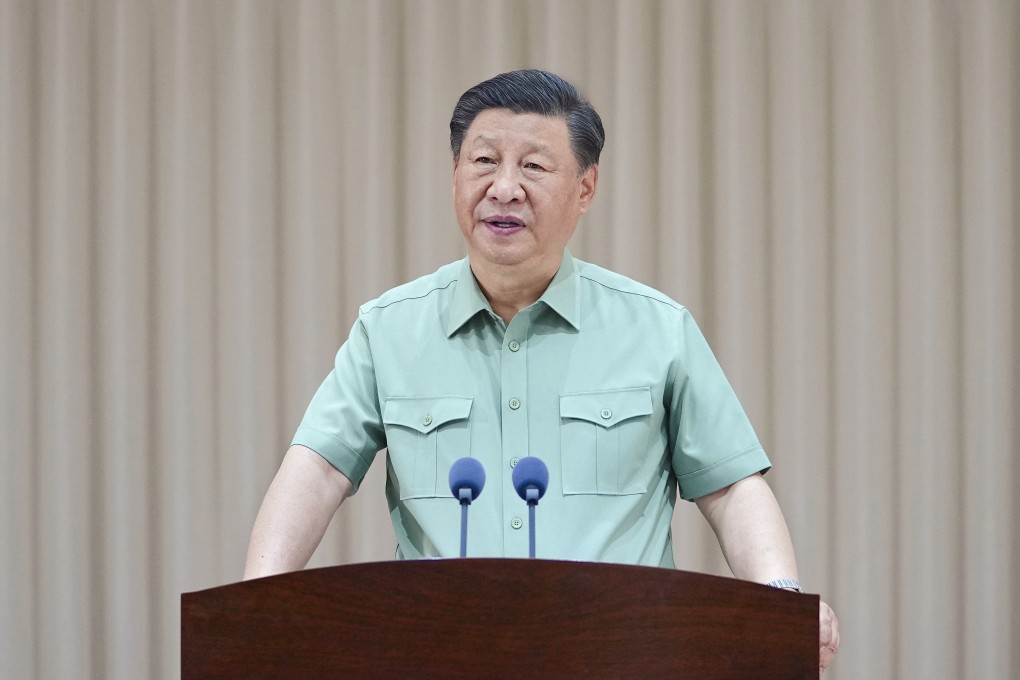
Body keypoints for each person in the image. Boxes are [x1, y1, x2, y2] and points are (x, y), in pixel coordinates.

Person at [244, 69, 839, 674]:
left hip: (624, 659)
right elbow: (317, 469)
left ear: (585, 189)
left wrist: (780, 599)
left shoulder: (657, 328)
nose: (504, 188)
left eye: (533, 166)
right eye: (483, 161)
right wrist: (255, 605)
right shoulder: (388, 329)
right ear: (454, 176)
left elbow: (732, 486)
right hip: (438, 658)